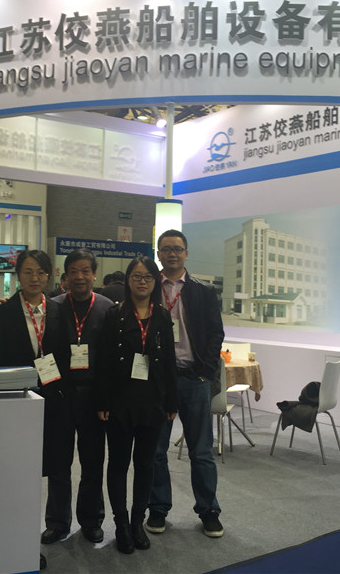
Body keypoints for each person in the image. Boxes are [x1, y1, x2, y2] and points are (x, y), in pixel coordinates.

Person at [0, 249, 65, 573]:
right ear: (18, 275)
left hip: (52, 406)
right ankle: (17, 538)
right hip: (16, 407)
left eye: (41, 272)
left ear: (48, 276)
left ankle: (46, 530)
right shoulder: (3, 313)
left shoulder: (57, 310)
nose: (35, 278)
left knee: (48, 470)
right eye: (28, 272)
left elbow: (64, 356)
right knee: (18, 475)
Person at [147, 229, 225, 538]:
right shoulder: (150, 288)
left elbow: (216, 333)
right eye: (166, 249)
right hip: (158, 382)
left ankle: (209, 510)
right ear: (158, 254)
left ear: (186, 254)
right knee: (156, 450)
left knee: (201, 451)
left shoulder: (201, 291)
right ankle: (158, 508)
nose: (172, 254)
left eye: (177, 249)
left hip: (194, 378)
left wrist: (205, 370)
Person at [96, 257, 177, 554]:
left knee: (145, 465)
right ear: (128, 280)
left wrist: (171, 401)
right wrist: (102, 400)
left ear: (155, 282)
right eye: (137, 276)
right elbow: (104, 361)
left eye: (148, 277)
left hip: (152, 403)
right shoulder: (115, 315)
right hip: (120, 402)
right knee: (118, 464)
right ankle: (120, 524)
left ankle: (136, 522)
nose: (142, 282)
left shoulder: (162, 316)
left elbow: (169, 362)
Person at [45, 248, 114, 545]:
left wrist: (106, 398)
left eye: (86, 271)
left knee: (92, 462)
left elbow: (111, 358)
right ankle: (57, 522)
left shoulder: (107, 308)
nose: (80, 276)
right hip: (61, 394)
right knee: (58, 463)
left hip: (93, 396)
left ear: (94, 275)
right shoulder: (54, 307)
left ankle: (91, 519)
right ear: (66, 275)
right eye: (74, 271)